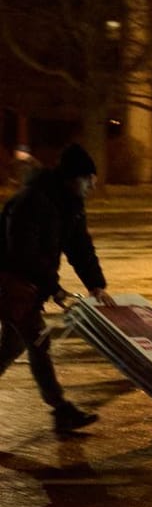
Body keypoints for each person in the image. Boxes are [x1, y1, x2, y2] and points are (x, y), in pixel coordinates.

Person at [0, 145, 107, 433]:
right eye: (88, 179)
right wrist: (55, 289)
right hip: (10, 282)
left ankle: (61, 411)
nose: (92, 186)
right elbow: (24, 254)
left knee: (12, 345)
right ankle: (61, 409)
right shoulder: (31, 203)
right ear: (71, 178)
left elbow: (80, 247)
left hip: (26, 285)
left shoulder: (69, 204)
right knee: (37, 341)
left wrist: (96, 284)